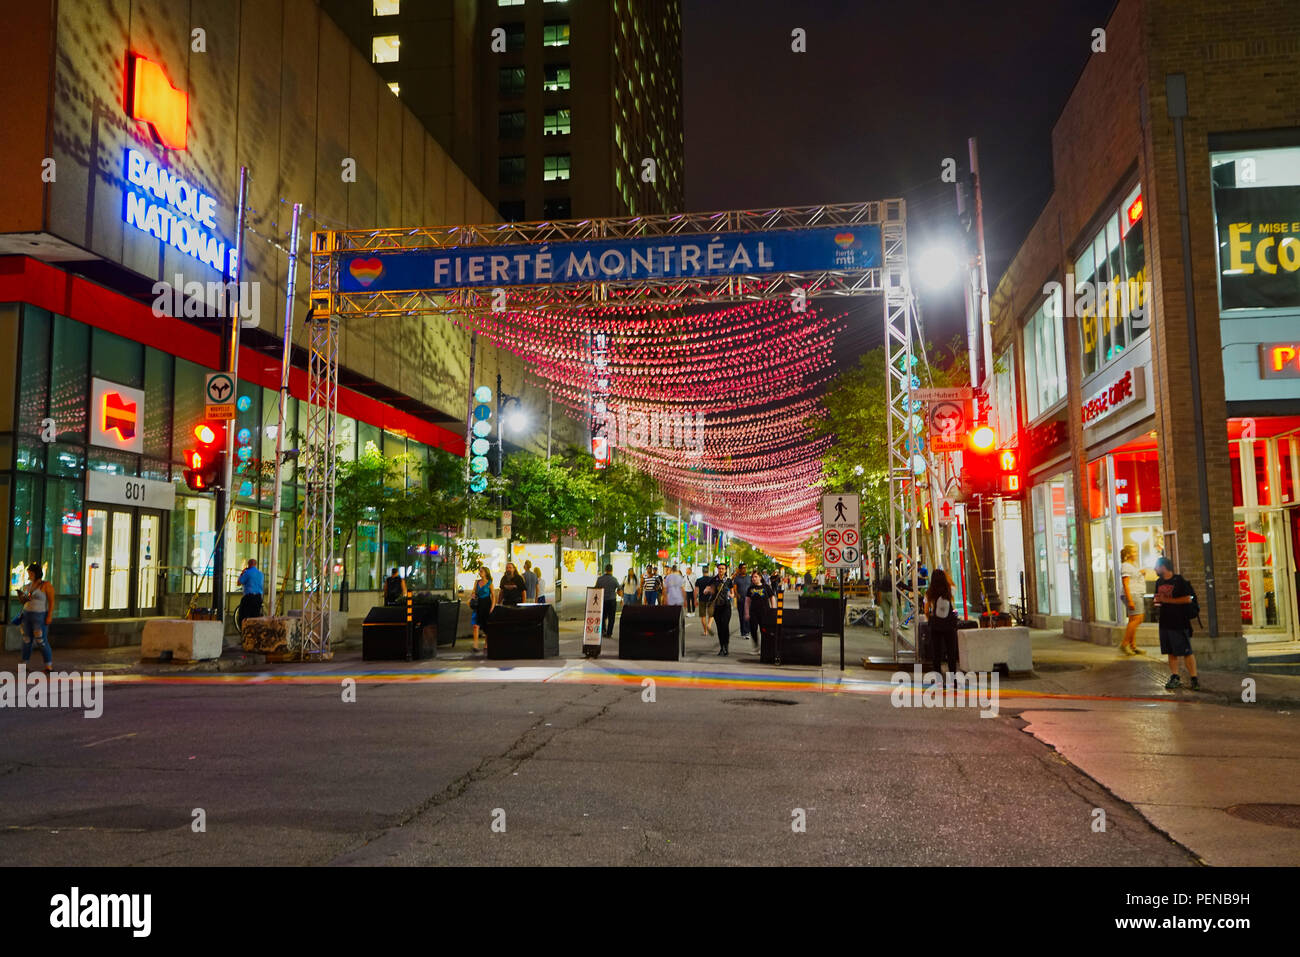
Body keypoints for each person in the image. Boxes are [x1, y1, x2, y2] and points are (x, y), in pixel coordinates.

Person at [1153, 557, 1199, 690]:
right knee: (1170, 651)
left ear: (1163, 567)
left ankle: (1194, 678)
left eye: (1156, 566)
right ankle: (1175, 676)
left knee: (1186, 651)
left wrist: (1167, 600)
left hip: (1179, 621)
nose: (1155, 569)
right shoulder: (1158, 582)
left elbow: (1188, 599)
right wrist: (1157, 602)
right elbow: (1159, 600)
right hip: (1165, 621)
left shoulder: (1179, 581)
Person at [17, 563, 55, 674]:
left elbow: (52, 601)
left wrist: (49, 615)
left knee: (41, 640)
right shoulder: (28, 586)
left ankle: (49, 665)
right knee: (26, 640)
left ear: (36, 573)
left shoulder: (45, 585)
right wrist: (21, 596)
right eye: (28, 572)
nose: (29, 574)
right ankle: (24, 664)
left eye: (31, 572)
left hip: (40, 615)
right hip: (26, 614)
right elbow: (24, 602)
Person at [923, 568, 960, 677]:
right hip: (949, 625)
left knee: (937, 653)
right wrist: (945, 575)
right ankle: (953, 680)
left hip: (936, 625)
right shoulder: (950, 590)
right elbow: (953, 583)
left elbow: (926, 610)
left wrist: (930, 618)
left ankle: (938, 678)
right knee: (951, 653)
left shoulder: (929, 592)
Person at [1119, 545, 1147, 656]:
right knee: (1138, 619)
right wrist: (1130, 600)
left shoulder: (1133, 565)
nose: (1136, 553)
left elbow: (1134, 578)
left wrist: (1141, 573)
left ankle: (1132, 646)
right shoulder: (1126, 566)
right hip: (1133, 594)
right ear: (1128, 554)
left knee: (1133, 620)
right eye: (1134, 552)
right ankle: (1125, 644)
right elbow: (1125, 583)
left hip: (1137, 593)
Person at [746, 570, 775, 654]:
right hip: (753, 612)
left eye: (755, 577)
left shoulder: (766, 587)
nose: (753, 579)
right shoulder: (750, 588)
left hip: (765, 612)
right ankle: (756, 647)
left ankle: (765, 648)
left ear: (760, 577)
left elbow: (772, 597)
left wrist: (773, 609)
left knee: (764, 631)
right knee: (753, 630)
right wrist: (747, 612)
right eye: (752, 577)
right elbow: (747, 601)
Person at [712, 562, 735, 655]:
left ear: (725, 570)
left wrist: (731, 595)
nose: (721, 570)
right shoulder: (713, 580)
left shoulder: (729, 581)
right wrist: (707, 591)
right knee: (719, 628)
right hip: (716, 607)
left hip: (726, 607)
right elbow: (709, 589)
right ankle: (722, 647)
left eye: (723, 569)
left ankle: (726, 647)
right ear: (717, 569)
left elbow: (733, 593)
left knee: (725, 626)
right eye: (719, 568)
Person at [595, 564, 621, 640]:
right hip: (612, 601)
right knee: (611, 618)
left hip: (603, 600)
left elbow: (596, 589)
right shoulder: (614, 579)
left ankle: (603, 630)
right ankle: (609, 633)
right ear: (611, 570)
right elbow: (619, 590)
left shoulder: (600, 579)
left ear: (605, 570)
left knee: (603, 616)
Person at [470, 566, 493, 652]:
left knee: (486, 625)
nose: (480, 572)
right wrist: (473, 595)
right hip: (478, 604)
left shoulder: (489, 583)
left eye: (481, 571)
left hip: (486, 604)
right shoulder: (476, 582)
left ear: (486, 573)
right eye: (479, 571)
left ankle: (486, 644)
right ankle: (475, 645)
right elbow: (473, 591)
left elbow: (493, 596)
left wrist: (492, 607)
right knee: (475, 625)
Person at [236, 558, 264, 625]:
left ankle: (244, 631)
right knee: (255, 617)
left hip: (249, 597)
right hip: (258, 597)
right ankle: (254, 632)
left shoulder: (247, 572)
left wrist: (242, 573)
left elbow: (239, 583)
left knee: (243, 616)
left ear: (248, 565)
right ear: (255, 565)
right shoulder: (261, 574)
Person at [733, 562, 752, 643]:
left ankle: (747, 630)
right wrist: (738, 596)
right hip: (741, 600)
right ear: (740, 569)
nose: (744, 569)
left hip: (749, 600)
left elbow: (752, 587)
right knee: (741, 616)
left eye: (745, 568)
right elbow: (735, 588)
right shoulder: (737, 578)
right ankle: (744, 631)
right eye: (743, 568)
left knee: (747, 615)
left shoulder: (749, 577)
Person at [697, 566, 716, 635]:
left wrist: (695, 600)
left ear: (702, 571)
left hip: (701, 599)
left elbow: (696, 591)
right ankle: (709, 625)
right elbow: (714, 590)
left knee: (703, 616)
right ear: (708, 571)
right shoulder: (712, 579)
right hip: (710, 599)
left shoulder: (699, 580)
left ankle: (705, 631)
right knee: (711, 615)